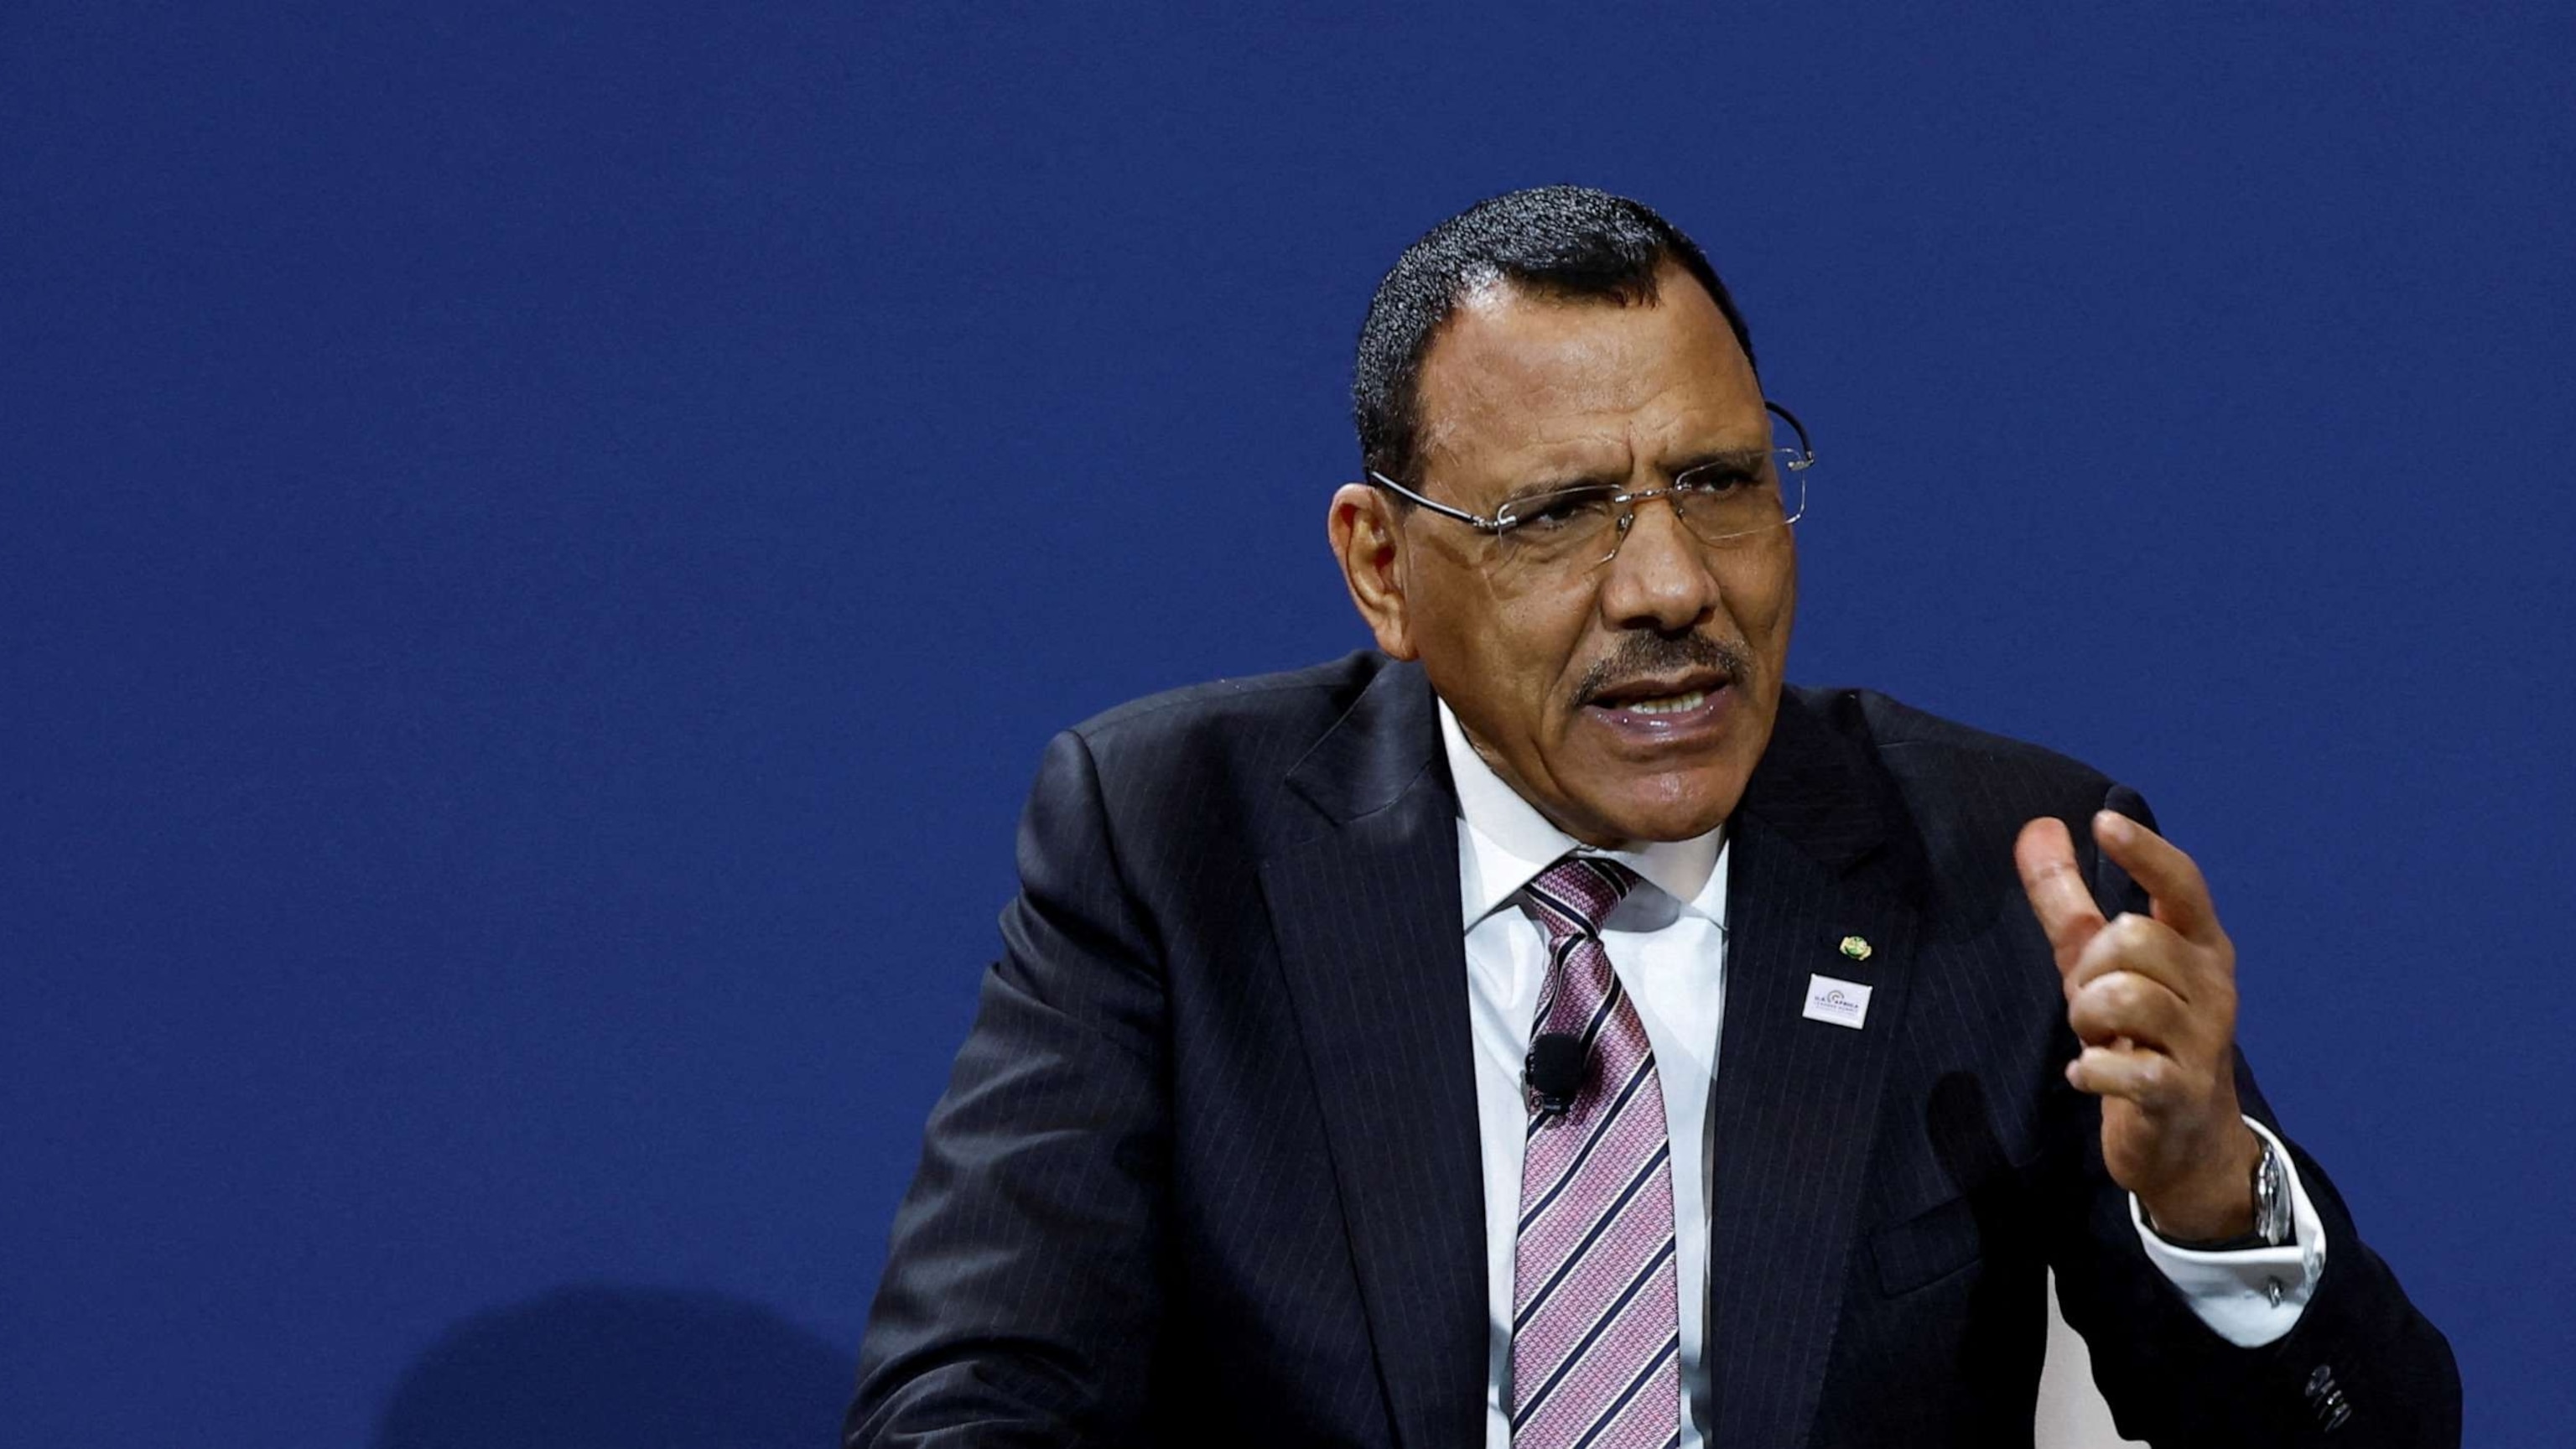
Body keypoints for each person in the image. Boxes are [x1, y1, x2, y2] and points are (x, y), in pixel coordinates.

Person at [847, 186, 2458, 1447]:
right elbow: (970, 1398)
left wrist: (2209, 1203)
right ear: (1382, 569)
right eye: (1560, 515)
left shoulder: (1994, 866)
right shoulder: (1172, 843)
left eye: (1720, 484)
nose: (1675, 586)